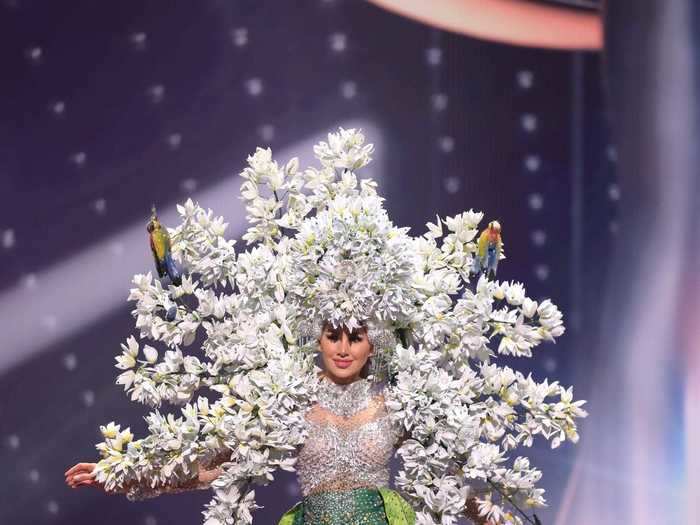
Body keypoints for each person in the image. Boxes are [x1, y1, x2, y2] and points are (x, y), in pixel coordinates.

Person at [65, 321, 490, 524]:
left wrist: (494, 520)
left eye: (355, 337)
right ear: (317, 341)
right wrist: (124, 475)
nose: (343, 349)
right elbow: (210, 469)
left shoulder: (397, 404)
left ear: (372, 345)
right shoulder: (286, 402)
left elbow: (452, 485)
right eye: (333, 336)